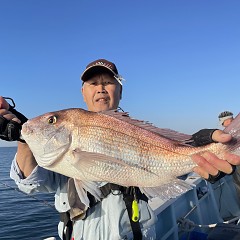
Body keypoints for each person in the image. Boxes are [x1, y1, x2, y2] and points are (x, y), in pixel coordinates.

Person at [0, 59, 240, 240]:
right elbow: (31, 183)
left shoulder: (136, 131)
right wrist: (23, 137)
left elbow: (174, 157)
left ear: (120, 90)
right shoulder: (59, 153)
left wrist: (200, 146)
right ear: (83, 93)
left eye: (108, 82)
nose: (101, 88)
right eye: (93, 83)